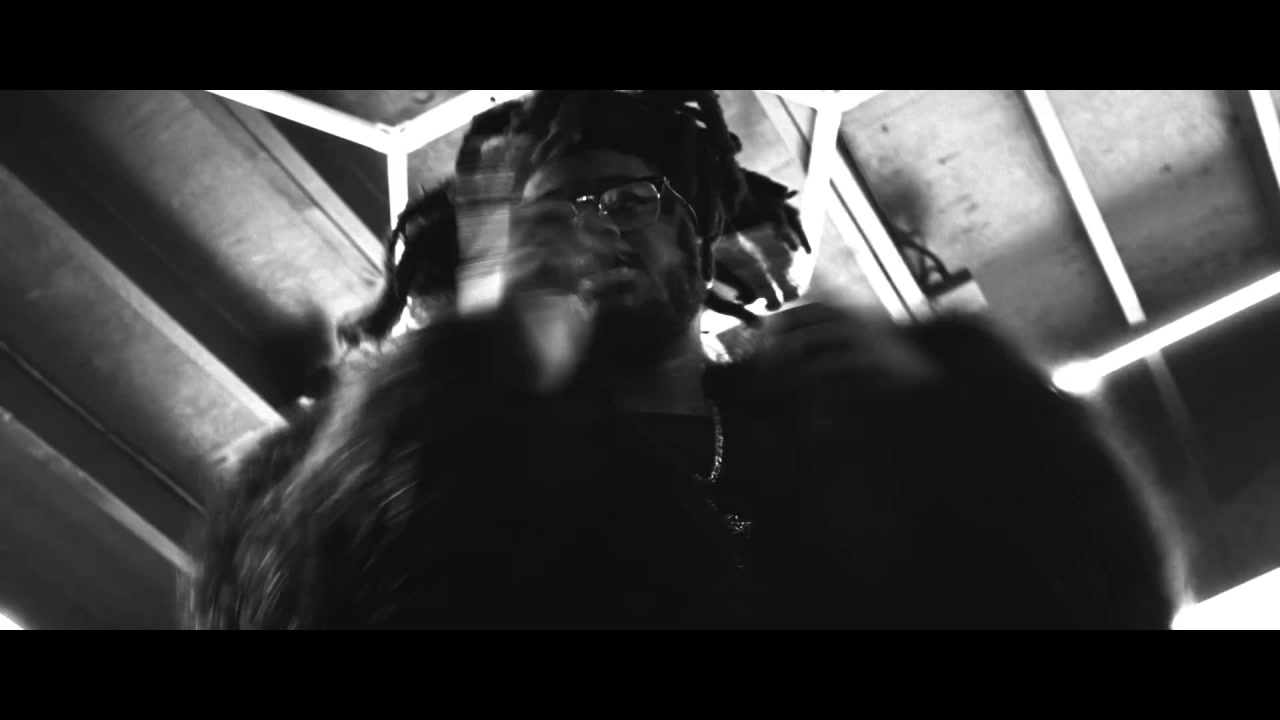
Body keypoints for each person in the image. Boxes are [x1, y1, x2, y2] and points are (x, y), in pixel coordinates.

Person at [186, 90, 1185, 629]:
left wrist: (940, 418)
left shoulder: (834, 440)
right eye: (553, 214)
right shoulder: (396, 466)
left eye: (629, 201)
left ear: (697, 247)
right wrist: (483, 367)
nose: (595, 227)